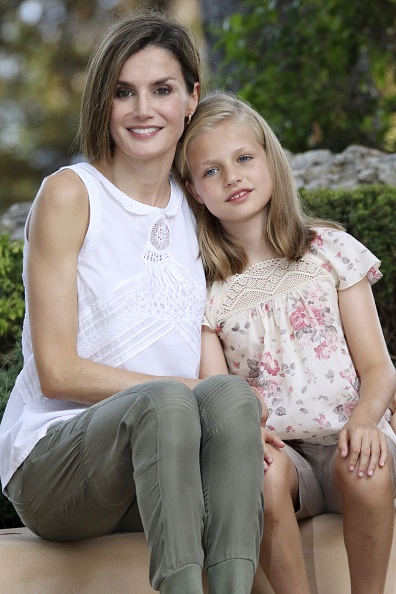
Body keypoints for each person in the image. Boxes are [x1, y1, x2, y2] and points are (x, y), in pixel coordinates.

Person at [0, 19, 265, 594]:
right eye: (124, 91)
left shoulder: (197, 206)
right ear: (104, 101)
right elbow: (57, 370)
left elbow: (272, 281)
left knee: (230, 397)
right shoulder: (72, 194)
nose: (143, 109)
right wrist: (179, 390)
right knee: (170, 399)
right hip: (56, 467)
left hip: (162, 464)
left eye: (162, 89)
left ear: (192, 98)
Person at [176, 91, 396, 594]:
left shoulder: (329, 252)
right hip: (283, 454)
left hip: (351, 435)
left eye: (244, 158)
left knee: (365, 464)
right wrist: (244, 435)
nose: (232, 177)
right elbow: (218, 392)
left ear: (270, 161)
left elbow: (380, 369)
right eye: (211, 171)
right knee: (259, 473)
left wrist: (365, 420)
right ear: (192, 191)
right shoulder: (207, 293)